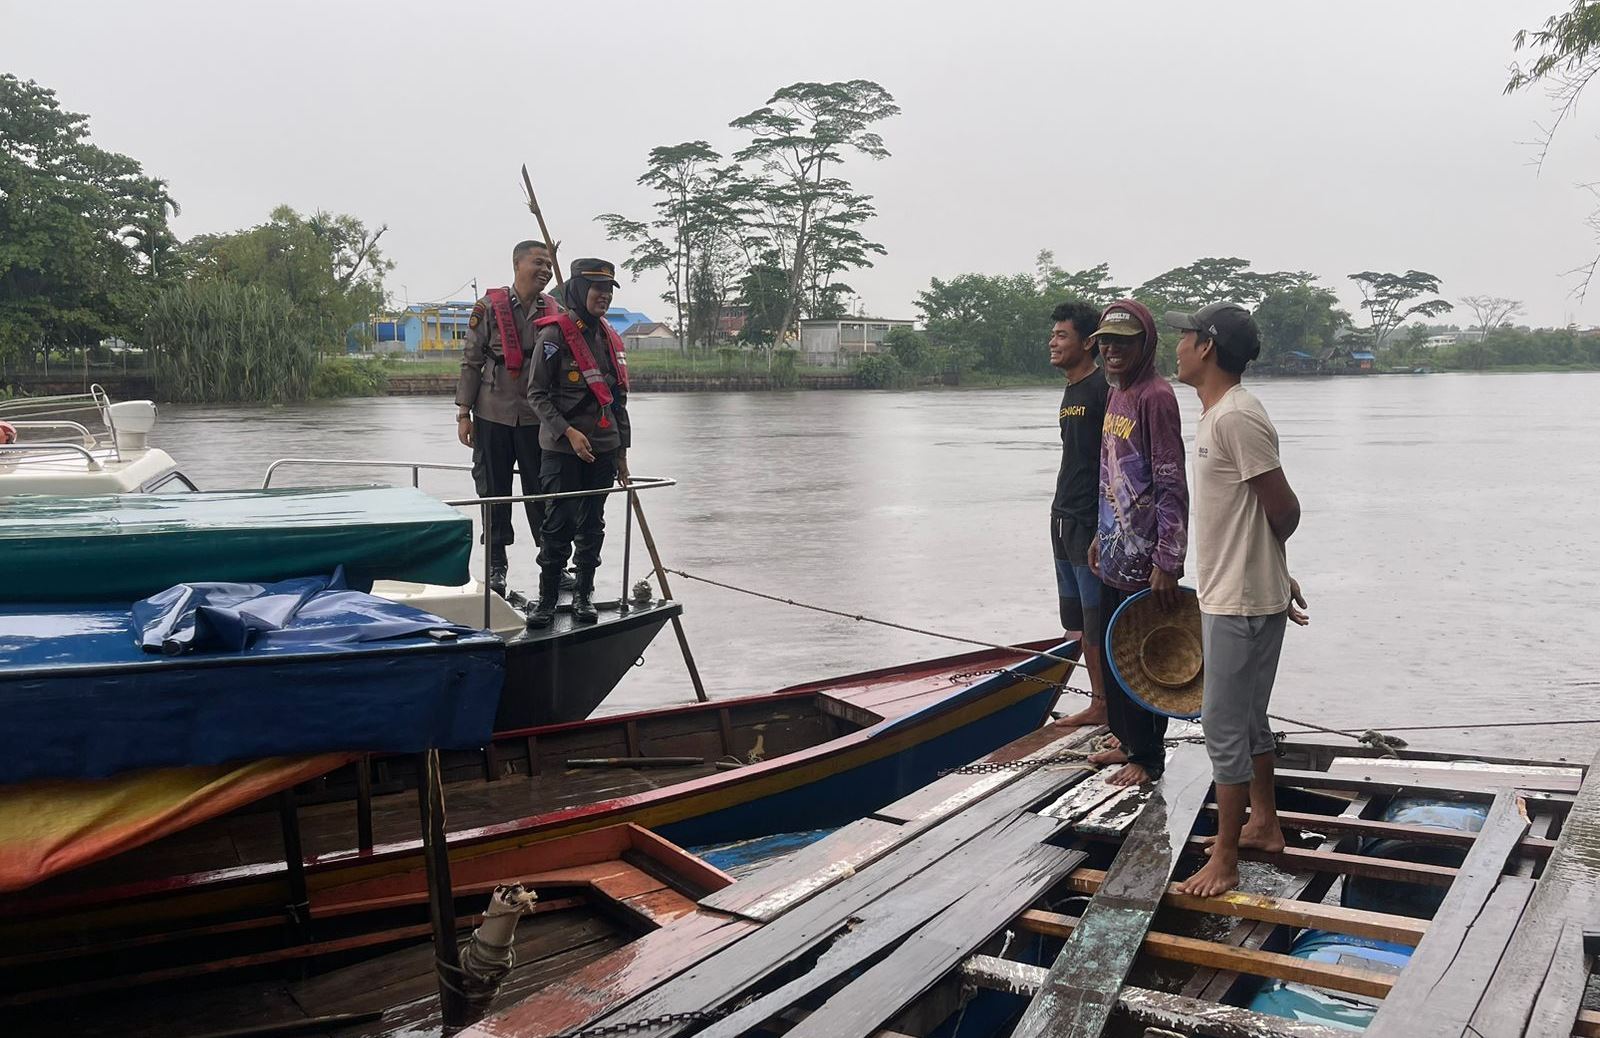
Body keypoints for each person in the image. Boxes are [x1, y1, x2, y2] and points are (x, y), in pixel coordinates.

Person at [1168, 302, 1308, 897]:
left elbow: (1285, 509)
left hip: (1240, 602)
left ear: (1207, 347)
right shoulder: (1217, 414)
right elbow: (1253, 516)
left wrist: (1268, 572)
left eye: (1184, 336)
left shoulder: (1236, 418)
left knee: (1222, 725)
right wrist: (1275, 571)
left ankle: (1225, 860)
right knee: (1247, 718)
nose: (1176, 346)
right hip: (1236, 593)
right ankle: (1263, 825)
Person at [1085, 299, 1190, 786]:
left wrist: (1168, 559)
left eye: (1123, 342)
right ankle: (1127, 741)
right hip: (1114, 548)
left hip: (1146, 559)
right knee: (1116, 655)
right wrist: (1099, 533)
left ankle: (1147, 758)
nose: (1112, 350)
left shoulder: (1156, 397)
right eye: (1106, 341)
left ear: (1145, 344)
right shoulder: (1117, 393)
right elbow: (1108, 471)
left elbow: (1171, 482)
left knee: (1144, 660)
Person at [525, 258, 631, 628]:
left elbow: (618, 400)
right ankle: (547, 600)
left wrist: (622, 453)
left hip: (603, 447)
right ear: (579, 289)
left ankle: (585, 594)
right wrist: (568, 432)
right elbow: (536, 394)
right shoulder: (555, 335)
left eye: (608, 290)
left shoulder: (609, 338)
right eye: (597, 288)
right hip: (562, 448)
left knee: (592, 525)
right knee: (559, 524)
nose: (604, 296)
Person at [455, 240, 560, 595]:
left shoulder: (555, 310)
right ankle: (496, 565)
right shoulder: (487, 308)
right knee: (493, 490)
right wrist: (463, 414)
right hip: (492, 412)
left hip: (536, 417)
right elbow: (471, 362)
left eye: (549, 265)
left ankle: (551, 563)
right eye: (538, 263)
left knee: (542, 491)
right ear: (517, 265)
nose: (545, 270)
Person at [1047, 301, 1112, 729]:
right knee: (1075, 621)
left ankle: (1105, 705)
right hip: (1063, 518)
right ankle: (1098, 701)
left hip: (1090, 522)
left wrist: (1105, 528)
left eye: (1062, 335)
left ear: (1088, 343)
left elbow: (1114, 463)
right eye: (1053, 335)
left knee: (1096, 620)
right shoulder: (1072, 390)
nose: (1053, 342)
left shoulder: (1102, 390)